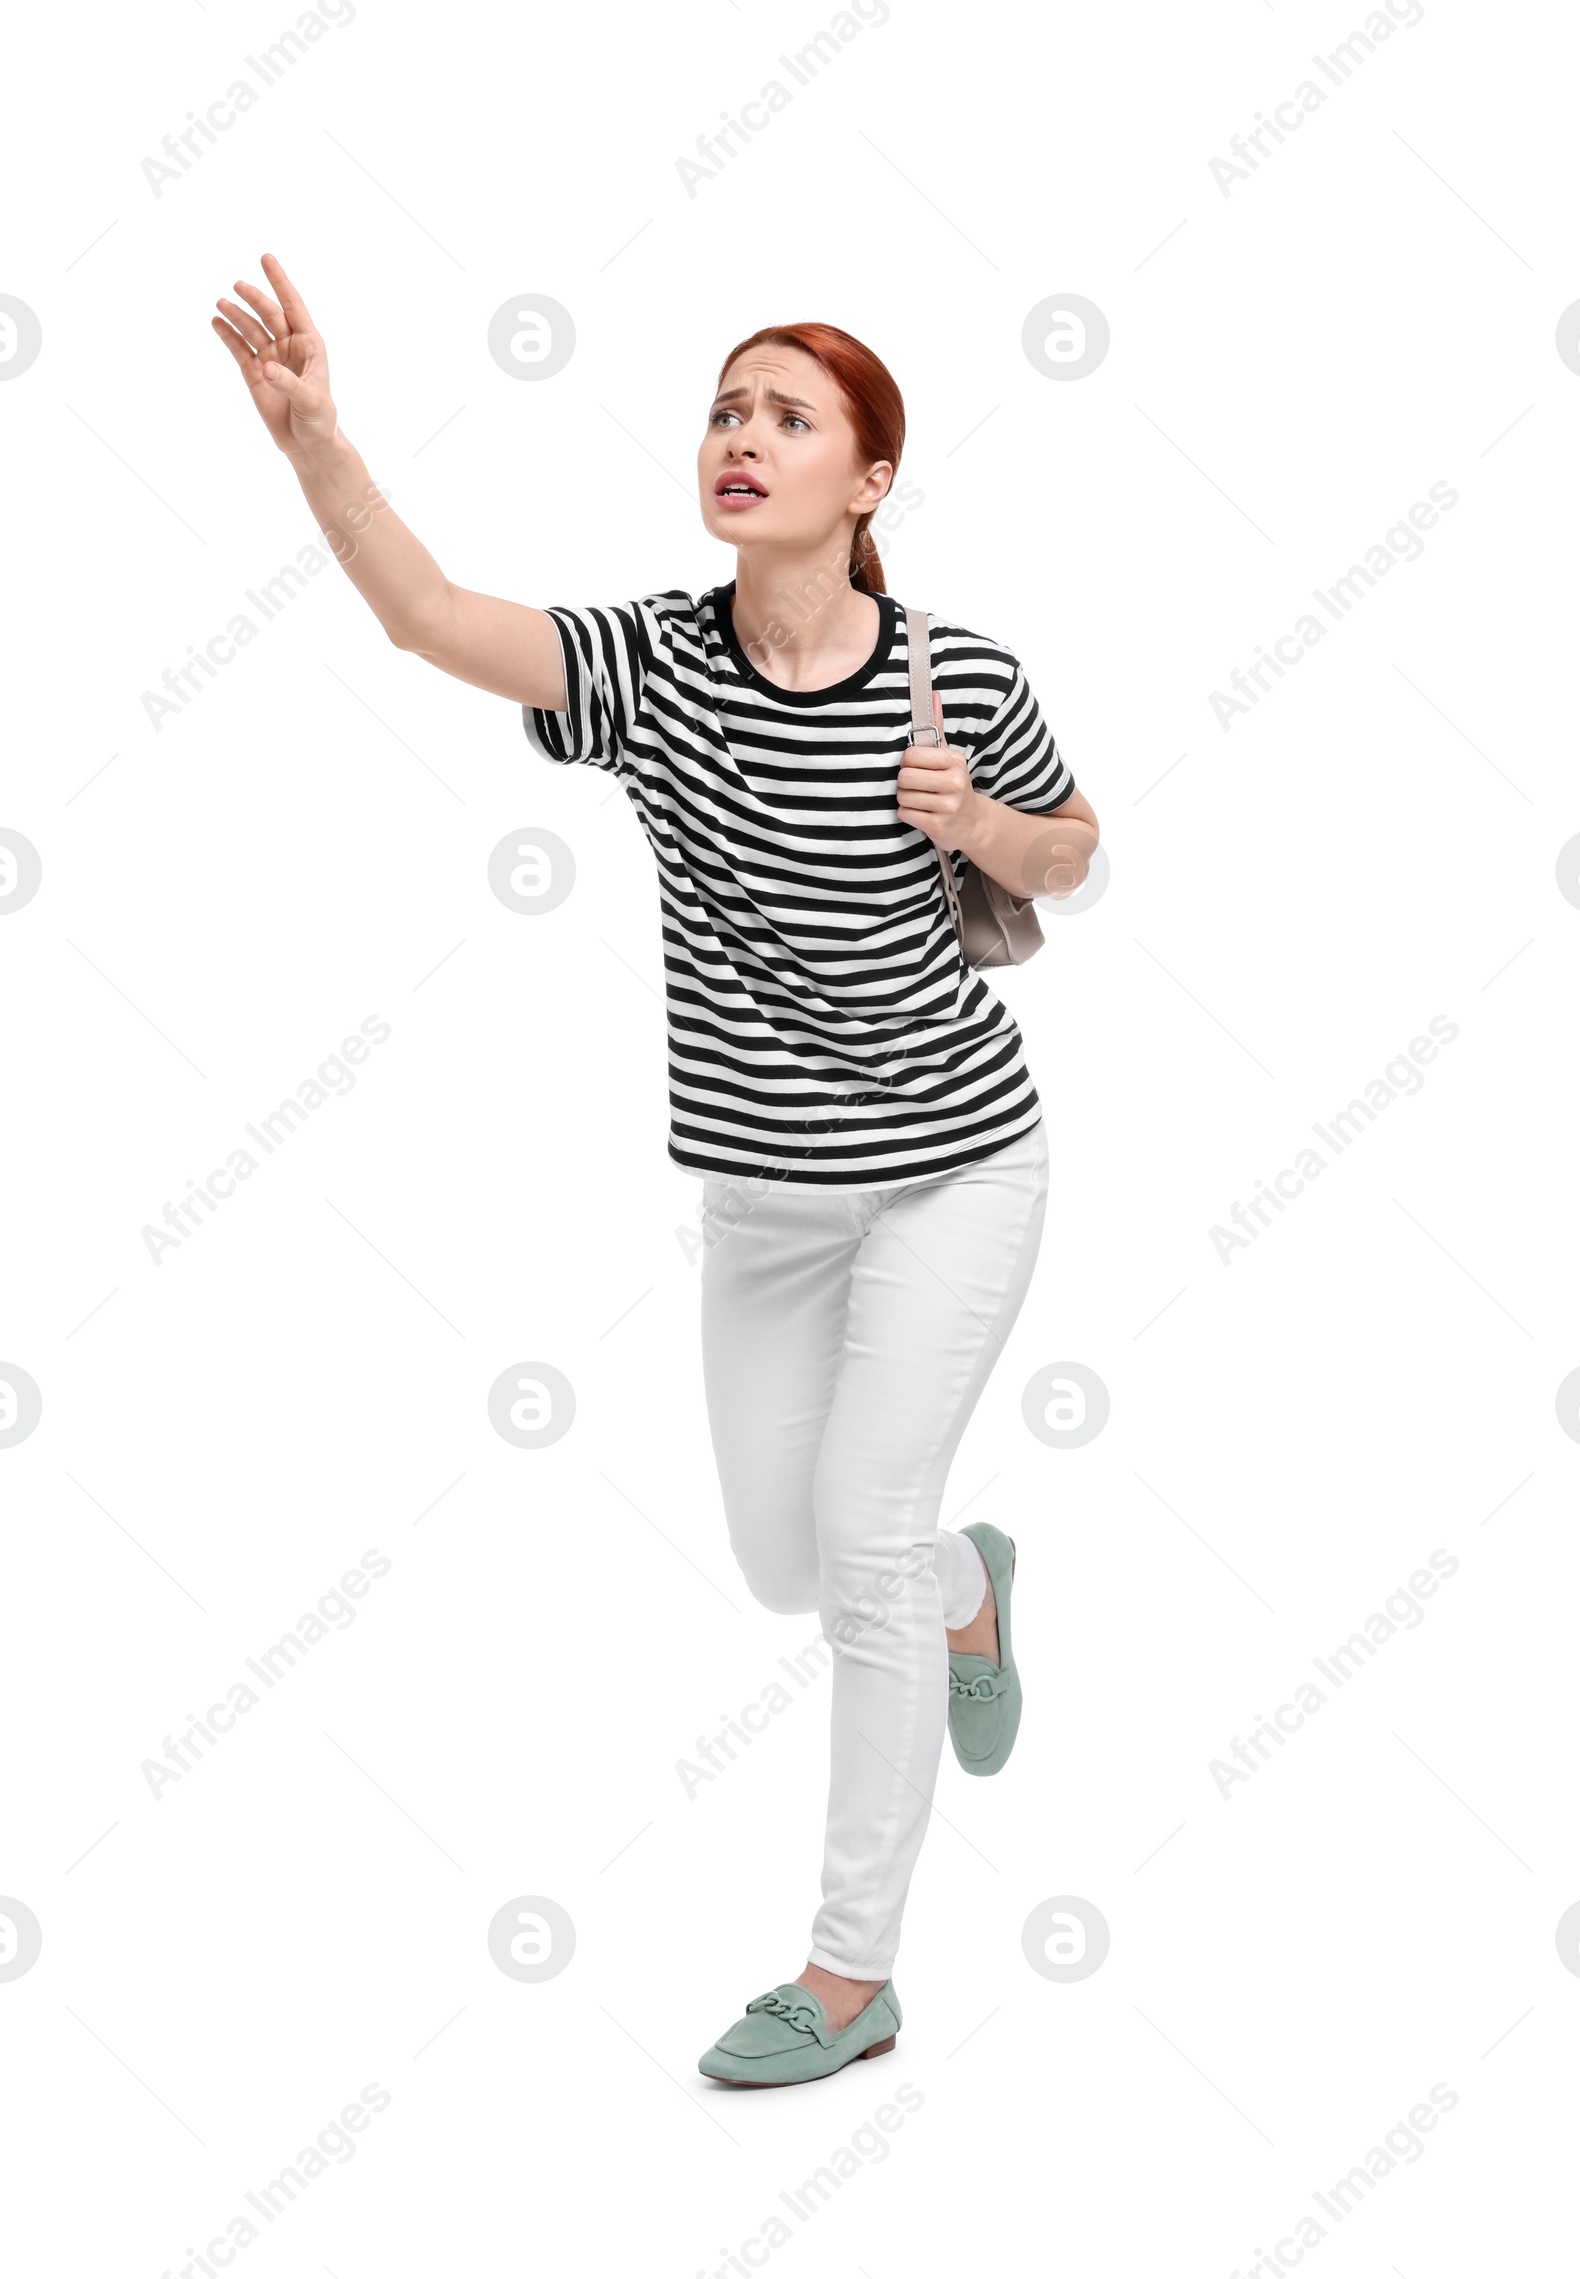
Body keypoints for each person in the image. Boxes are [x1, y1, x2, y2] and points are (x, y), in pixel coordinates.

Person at [213, 257, 1101, 2089]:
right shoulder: (654, 665)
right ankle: (965, 1585)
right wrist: (318, 445)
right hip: (768, 1206)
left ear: (869, 483)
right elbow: (437, 619)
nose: (741, 438)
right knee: (798, 1564)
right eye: (724, 408)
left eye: (788, 415)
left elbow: (1076, 852)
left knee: (846, 1548)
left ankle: (852, 1978)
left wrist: (981, 819)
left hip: (956, 1172)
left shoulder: (965, 669)